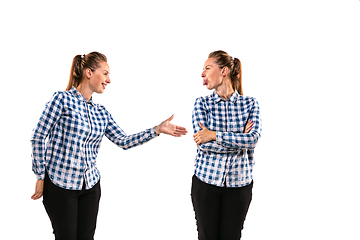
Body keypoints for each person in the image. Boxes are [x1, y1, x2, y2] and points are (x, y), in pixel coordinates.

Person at [30, 52, 187, 240]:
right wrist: (40, 175)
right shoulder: (62, 100)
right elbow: (38, 136)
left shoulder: (101, 113)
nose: (109, 80)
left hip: (90, 187)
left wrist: (157, 130)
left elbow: (124, 140)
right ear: (89, 73)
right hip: (60, 186)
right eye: (105, 73)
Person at [191, 50, 262, 240]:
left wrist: (213, 135)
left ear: (224, 71)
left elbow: (253, 138)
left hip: (240, 186)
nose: (202, 74)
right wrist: (240, 140)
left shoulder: (250, 104)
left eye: (207, 68)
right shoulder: (202, 104)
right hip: (206, 184)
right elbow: (203, 145)